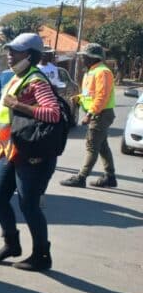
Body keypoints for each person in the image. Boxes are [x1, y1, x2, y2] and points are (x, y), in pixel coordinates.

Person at [0, 33, 60, 271]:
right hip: (10, 150)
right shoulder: (17, 77)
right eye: (9, 51)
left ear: (29, 56)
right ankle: (11, 243)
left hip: (31, 152)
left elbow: (53, 113)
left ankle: (41, 255)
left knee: (29, 205)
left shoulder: (36, 79)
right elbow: (11, 114)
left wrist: (18, 105)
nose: (9, 55)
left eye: (15, 52)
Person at [60, 43, 117, 188]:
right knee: (102, 146)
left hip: (100, 114)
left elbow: (102, 96)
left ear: (93, 57)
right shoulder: (91, 72)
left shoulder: (102, 72)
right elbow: (90, 94)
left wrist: (90, 114)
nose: (81, 59)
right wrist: (79, 98)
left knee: (92, 145)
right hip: (98, 113)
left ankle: (81, 177)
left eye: (84, 56)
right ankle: (110, 177)